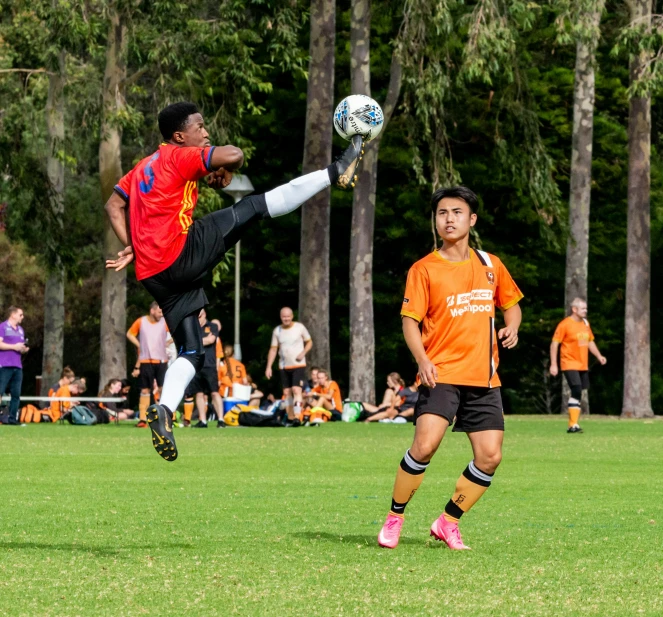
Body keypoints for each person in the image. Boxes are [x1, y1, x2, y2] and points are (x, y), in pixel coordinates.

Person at [105, 101, 363, 461]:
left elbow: (113, 206)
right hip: (180, 253)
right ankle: (335, 171)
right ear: (180, 136)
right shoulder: (179, 156)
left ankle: (164, 409)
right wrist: (224, 165)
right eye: (200, 127)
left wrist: (131, 244)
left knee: (192, 351)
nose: (205, 132)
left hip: (153, 273)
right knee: (254, 207)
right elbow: (235, 154)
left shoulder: (142, 166)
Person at [377, 186, 523, 552]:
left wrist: (513, 326)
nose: (449, 219)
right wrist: (422, 360)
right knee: (424, 446)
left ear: (471, 219)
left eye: (457, 212)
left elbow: (513, 304)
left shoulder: (491, 264)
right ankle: (395, 517)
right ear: (436, 220)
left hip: (485, 378)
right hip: (440, 373)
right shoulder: (424, 268)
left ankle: (448, 521)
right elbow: (410, 321)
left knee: (490, 456)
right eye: (442, 213)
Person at [550, 298, 606, 434]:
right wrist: (553, 364)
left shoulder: (585, 323)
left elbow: (590, 342)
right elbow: (554, 344)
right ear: (574, 309)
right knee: (576, 388)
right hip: (569, 362)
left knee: (579, 392)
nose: (585, 311)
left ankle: (573, 423)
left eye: (586, 308)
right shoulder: (565, 325)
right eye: (583, 308)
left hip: (582, 364)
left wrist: (599, 356)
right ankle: (572, 424)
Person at [265, 307, 313, 425]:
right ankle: (290, 417)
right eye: (283, 317)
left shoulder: (299, 327)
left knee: (297, 389)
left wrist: (303, 353)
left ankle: (297, 416)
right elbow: (273, 349)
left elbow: (309, 342)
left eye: (288, 316)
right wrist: (269, 366)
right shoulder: (277, 331)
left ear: (292, 316)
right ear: (281, 317)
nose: (286, 319)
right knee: (286, 392)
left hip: (298, 364)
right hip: (283, 365)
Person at [127, 302, 170, 428]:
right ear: (152, 311)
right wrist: (139, 344)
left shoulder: (164, 322)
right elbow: (130, 334)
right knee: (145, 390)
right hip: (146, 360)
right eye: (159, 312)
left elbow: (176, 333)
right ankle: (142, 419)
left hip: (161, 360)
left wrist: (167, 342)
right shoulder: (142, 322)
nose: (161, 315)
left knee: (162, 389)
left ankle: (164, 418)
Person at [188, 309, 224, 428]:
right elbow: (189, 342)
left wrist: (195, 341)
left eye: (200, 315)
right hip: (196, 364)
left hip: (209, 365)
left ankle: (221, 420)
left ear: (205, 315)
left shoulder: (212, 326)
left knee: (214, 392)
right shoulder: (192, 327)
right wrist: (202, 341)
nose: (198, 318)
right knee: (198, 393)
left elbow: (211, 340)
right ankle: (202, 420)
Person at [0, 306, 29, 425]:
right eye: (20, 314)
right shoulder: (3, 327)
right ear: (13, 315)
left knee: (16, 394)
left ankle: (13, 419)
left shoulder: (21, 330)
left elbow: (19, 346)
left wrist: (23, 349)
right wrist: (14, 347)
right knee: (0, 391)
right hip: (4, 365)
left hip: (17, 366)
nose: (22, 317)